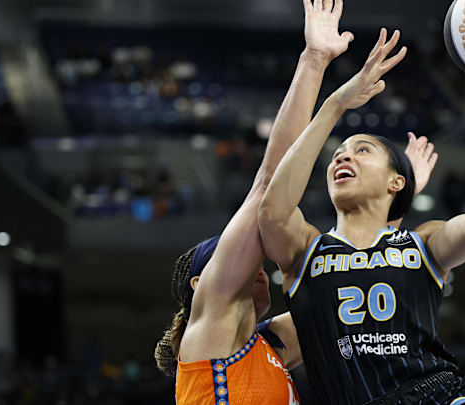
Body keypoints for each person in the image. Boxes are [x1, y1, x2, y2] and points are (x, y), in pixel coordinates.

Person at [258, 16, 465, 405]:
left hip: (438, 393)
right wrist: (334, 105)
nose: (342, 156)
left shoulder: (422, 243)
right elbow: (272, 210)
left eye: (362, 150)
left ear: (395, 182)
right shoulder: (305, 248)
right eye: (338, 154)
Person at [153, 1, 438, 403]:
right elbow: (268, 185)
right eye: (239, 254)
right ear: (202, 284)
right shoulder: (211, 324)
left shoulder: (266, 348)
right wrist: (315, 60)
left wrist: (392, 198)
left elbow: (353, 291)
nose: (257, 259)